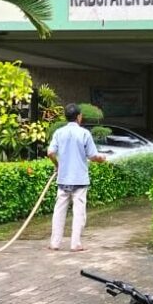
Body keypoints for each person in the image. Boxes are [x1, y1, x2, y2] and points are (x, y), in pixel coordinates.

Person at [47, 103, 106, 252]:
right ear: (79, 117)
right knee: (79, 213)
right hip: (79, 180)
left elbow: (50, 153)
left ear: (66, 117)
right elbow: (93, 156)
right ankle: (75, 244)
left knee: (59, 212)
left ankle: (55, 243)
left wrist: (58, 164)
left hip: (63, 179)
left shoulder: (59, 133)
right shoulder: (84, 133)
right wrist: (102, 158)